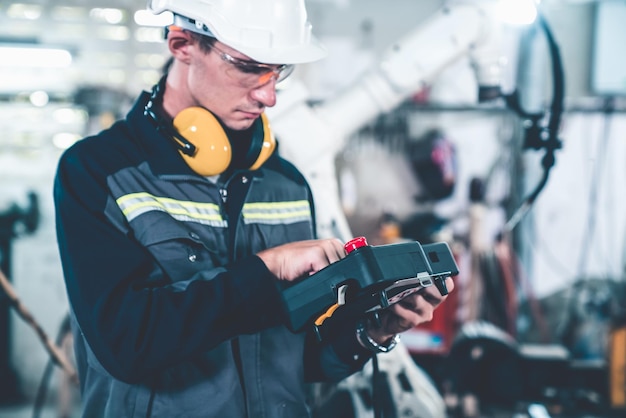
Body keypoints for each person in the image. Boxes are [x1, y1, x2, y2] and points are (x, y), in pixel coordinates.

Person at [53, 0, 455, 417]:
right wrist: (267, 269)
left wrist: (369, 331)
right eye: (248, 66)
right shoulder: (99, 172)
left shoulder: (286, 184)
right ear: (183, 44)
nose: (269, 95)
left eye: (279, 71)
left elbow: (296, 358)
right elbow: (126, 344)